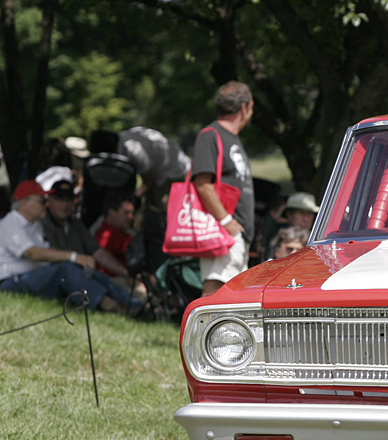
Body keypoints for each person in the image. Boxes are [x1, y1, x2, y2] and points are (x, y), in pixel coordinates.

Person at [0, 181, 135, 313]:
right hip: (12, 281)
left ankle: (133, 303)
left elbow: (48, 252)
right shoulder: (10, 223)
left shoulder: (35, 225)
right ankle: (110, 306)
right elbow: (33, 253)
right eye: (42, 201)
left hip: (36, 277)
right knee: (65, 269)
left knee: (84, 271)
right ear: (24, 203)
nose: (46, 204)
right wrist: (73, 257)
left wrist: (78, 261)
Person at [192, 81, 255, 297]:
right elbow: (202, 183)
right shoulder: (210, 135)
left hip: (237, 232)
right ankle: (200, 332)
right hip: (223, 232)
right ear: (245, 107)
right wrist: (227, 222)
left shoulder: (232, 139)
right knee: (214, 294)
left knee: (231, 299)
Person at [117, 126, 191, 273]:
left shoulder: (133, 148)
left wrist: (136, 197)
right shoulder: (126, 139)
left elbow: (147, 180)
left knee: (162, 219)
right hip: (163, 172)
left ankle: (167, 266)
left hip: (173, 173)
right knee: (152, 215)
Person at [39, 180, 131, 284]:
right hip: (58, 279)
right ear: (49, 201)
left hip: (85, 277)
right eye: (59, 199)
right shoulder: (41, 224)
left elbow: (97, 252)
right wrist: (75, 258)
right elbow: (48, 255)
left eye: (69, 200)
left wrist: (124, 271)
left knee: (126, 289)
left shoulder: (75, 223)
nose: (64, 205)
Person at [262, 192, 319, 258]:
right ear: (289, 214)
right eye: (301, 213)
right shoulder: (278, 238)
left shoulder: (320, 241)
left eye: (309, 213)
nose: (306, 219)